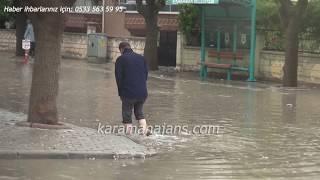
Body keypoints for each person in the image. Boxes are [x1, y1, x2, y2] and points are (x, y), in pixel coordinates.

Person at [115, 42, 149, 135]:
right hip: (142, 92)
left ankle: (129, 136)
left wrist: (121, 93)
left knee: (127, 114)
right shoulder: (142, 58)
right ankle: (145, 132)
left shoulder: (121, 59)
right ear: (130, 47)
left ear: (121, 49)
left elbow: (119, 78)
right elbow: (146, 75)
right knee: (139, 113)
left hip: (128, 92)